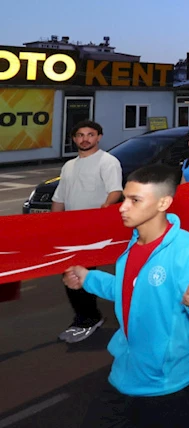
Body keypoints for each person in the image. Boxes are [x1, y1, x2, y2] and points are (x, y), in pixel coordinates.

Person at [64, 164, 189, 428]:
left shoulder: (186, 250)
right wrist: (89, 279)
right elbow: (130, 291)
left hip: (165, 387)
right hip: (123, 375)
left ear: (163, 202)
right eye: (125, 197)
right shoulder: (135, 243)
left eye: (135, 200)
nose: (122, 207)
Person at [52, 120, 123, 343]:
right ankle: (87, 317)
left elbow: (115, 191)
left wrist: (104, 209)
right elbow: (59, 198)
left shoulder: (108, 162)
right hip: (71, 230)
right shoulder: (69, 166)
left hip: (95, 230)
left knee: (78, 273)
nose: (85, 139)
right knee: (70, 273)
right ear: (74, 139)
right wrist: (53, 227)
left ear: (99, 137)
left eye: (90, 134)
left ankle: (88, 319)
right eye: (80, 135)